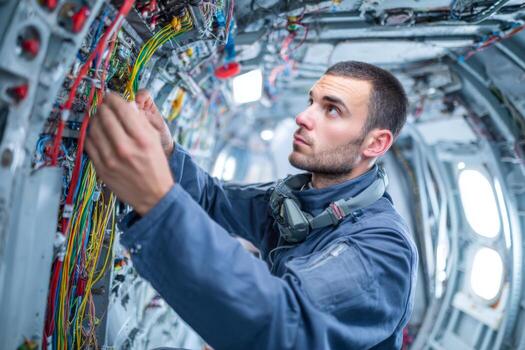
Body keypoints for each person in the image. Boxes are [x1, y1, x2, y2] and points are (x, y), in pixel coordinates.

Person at [85, 61, 418, 349]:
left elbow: (286, 322)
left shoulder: (383, 250)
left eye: (331, 109)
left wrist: (158, 202)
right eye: (311, 102)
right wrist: (167, 151)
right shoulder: (298, 199)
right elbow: (213, 200)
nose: (302, 117)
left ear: (375, 143)